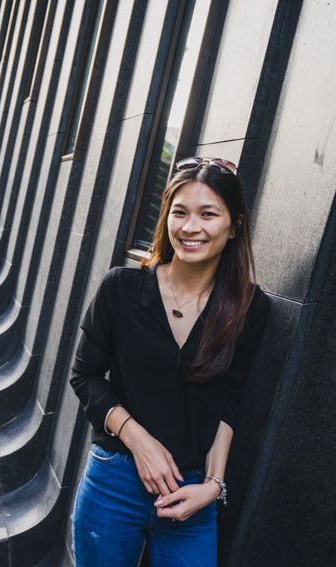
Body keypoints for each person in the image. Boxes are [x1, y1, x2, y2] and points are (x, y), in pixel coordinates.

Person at [69, 157, 271, 566]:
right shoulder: (120, 288)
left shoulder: (250, 308)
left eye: (208, 214)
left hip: (192, 492)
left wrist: (214, 485)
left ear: (235, 226)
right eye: (179, 212)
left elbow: (230, 400)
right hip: (114, 481)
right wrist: (138, 441)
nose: (190, 227)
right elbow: (85, 375)